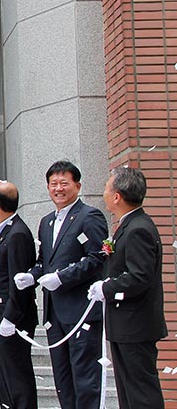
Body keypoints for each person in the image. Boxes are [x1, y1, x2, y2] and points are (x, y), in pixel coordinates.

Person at [14, 160, 107, 409]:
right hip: (55, 313)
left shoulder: (90, 216)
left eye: (64, 183)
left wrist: (62, 278)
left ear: (77, 185)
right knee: (63, 377)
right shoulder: (46, 221)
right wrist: (32, 276)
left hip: (81, 311)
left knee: (85, 377)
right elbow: (44, 260)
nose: (58, 188)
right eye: (53, 183)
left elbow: (97, 258)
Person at [87, 166, 166, 409]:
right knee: (129, 392)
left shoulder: (138, 228)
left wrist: (107, 288)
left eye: (106, 188)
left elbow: (139, 277)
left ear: (117, 196)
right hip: (127, 324)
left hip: (136, 325)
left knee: (141, 392)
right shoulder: (129, 225)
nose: (104, 194)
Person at [0, 181, 37, 409]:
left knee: (17, 377)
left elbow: (19, 280)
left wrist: (11, 316)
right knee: (4, 376)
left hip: (11, 319)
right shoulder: (2, 230)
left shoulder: (16, 234)